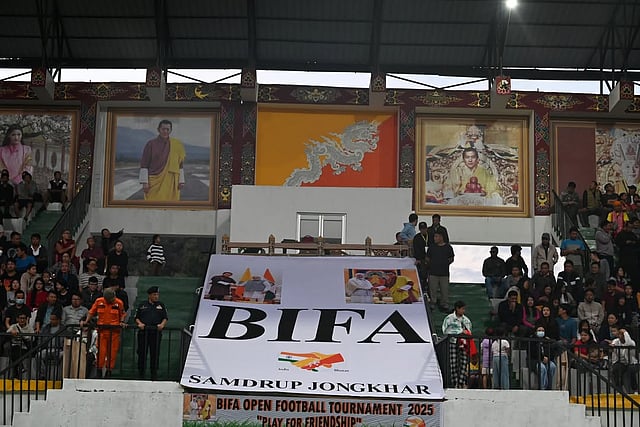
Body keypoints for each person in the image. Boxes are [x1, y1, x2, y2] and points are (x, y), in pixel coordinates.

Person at [81, 288, 126, 378]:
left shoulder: (119, 303)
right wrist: (86, 321)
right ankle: (99, 370)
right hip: (102, 331)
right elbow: (91, 312)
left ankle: (109, 371)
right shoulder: (99, 301)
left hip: (114, 332)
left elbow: (123, 314)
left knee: (112, 353)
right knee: (101, 352)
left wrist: (122, 321)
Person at [139, 119, 186, 201]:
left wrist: (181, 181)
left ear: (171, 130)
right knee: (153, 204)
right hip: (154, 181)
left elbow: (180, 164)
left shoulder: (177, 144)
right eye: (163, 129)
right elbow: (144, 164)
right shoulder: (151, 144)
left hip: (171, 182)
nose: (165, 131)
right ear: (158, 129)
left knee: (170, 205)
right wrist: (144, 182)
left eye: (168, 129)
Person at [134, 286, 168, 380]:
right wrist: (139, 323)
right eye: (154, 294)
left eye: (157, 294)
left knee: (155, 353)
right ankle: (141, 373)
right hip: (144, 332)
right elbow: (136, 317)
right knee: (142, 353)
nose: (156, 296)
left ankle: (154, 373)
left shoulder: (161, 305)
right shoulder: (142, 305)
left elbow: (165, 317)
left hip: (155, 332)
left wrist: (162, 325)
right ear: (149, 295)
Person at [442, 300, 472, 389]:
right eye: (462, 309)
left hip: (464, 343)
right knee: (453, 363)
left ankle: (461, 382)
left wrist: (465, 333)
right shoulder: (449, 318)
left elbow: (469, 331)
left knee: (464, 362)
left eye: (464, 309)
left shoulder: (466, 320)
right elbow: (445, 331)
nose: (463, 311)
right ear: (457, 309)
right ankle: (455, 383)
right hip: (453, 342)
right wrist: (459, 332)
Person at [426, 230, 454, 311]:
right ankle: (432, 303)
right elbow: (427, 258)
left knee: (444, 290)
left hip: (444, 273)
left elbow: (451, 258)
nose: (435, 238)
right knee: (432, 289)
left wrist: (445, 263)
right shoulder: (432, 247)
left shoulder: (448, 247)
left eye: (436, 236)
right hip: (433, 272)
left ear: (441, 237)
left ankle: (444, 304)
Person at [609, 327, 639, 393]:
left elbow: (628, 343)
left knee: (631, 369)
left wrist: (625, 332)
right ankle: (619, 389)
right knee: (615, 368)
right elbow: (612, 345)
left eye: (622, 334)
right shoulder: (616, 341)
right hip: (621, 362)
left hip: (632, 362)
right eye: (619, 333)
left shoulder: (632, 342)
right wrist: (612, 346)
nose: (620, 335)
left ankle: (634, 389)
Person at [528, 325, 557, 390]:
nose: (541, 332)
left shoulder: (547, 340)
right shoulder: (532, 340)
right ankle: (542, 388)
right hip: (535, 360)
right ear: (535, 332)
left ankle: (549, 387)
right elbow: (532, 353)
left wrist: (548, 358)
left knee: (552, 366)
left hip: (547, 360)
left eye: (543, 330)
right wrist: (542, 358)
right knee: (542, 368)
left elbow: (552, 352)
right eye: (539, 330)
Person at [7, 313, 34, 378]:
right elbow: (7, 333)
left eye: (24, 318)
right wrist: (11, 332)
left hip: (25, 348)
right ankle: (20, 367)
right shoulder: (14, 326)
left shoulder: (29, 328)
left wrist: (22, 336)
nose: (22, 320)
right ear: (17, 319)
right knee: (15, 349)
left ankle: (16, 373)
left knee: (16, 353)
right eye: (20, 318)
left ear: (26, 319)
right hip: (14, 347)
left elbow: (32, 339)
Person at [412, 222, 429, 291]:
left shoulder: (431, 236)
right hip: (421, 260)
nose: (423, 230)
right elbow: (416, 249)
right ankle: (423, 290)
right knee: (422, 276)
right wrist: (418, 259)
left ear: (426, 228)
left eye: (424, 229)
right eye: (421, 229)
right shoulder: (417, 237)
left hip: (430, 260)